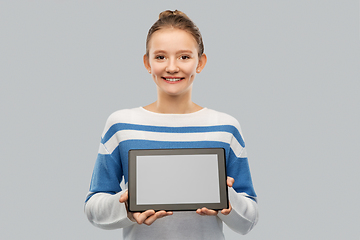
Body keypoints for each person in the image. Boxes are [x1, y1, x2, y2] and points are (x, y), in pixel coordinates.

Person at [85, 10, 258, 240]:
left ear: (201, 62)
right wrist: (127, 207)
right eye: (160, 57)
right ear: (147, 62)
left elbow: (249, 220)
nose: (172, 67)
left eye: (184, 57)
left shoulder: (225, 128)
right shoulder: (121, 125)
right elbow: (93, 207)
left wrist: (227, 197)